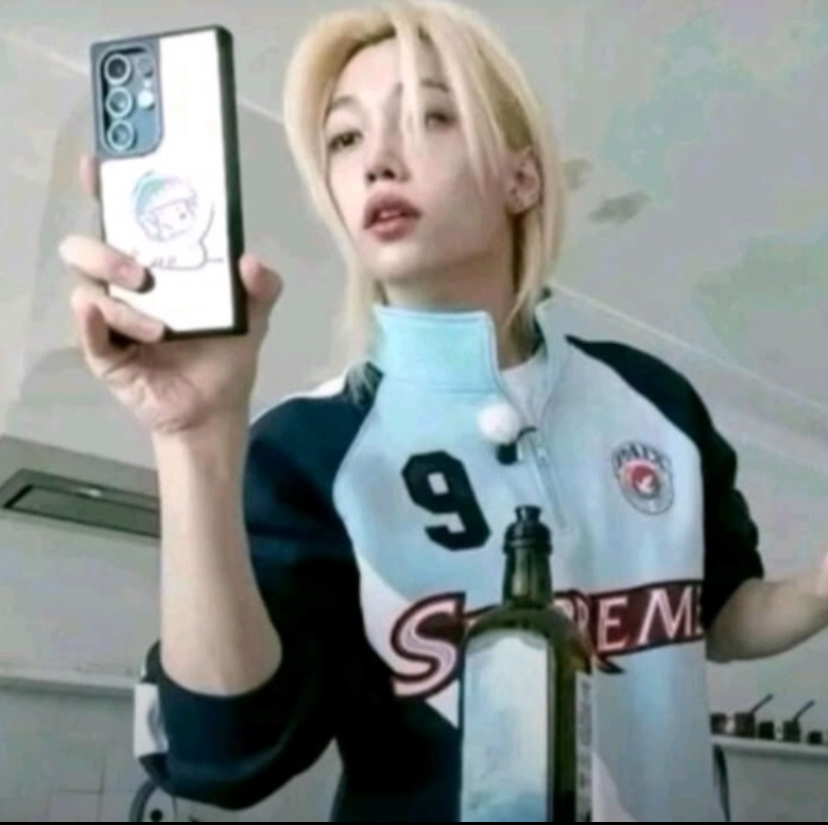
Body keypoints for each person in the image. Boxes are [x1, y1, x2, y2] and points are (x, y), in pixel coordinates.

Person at [59, 1, 828, 821]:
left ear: (521, 178)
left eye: (431, 116)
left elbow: (723, 613)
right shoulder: (305, 448)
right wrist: (192, 438)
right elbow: (221, 756)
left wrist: (818, 588)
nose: (378, 160)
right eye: (345, 138)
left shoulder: (656, 400)